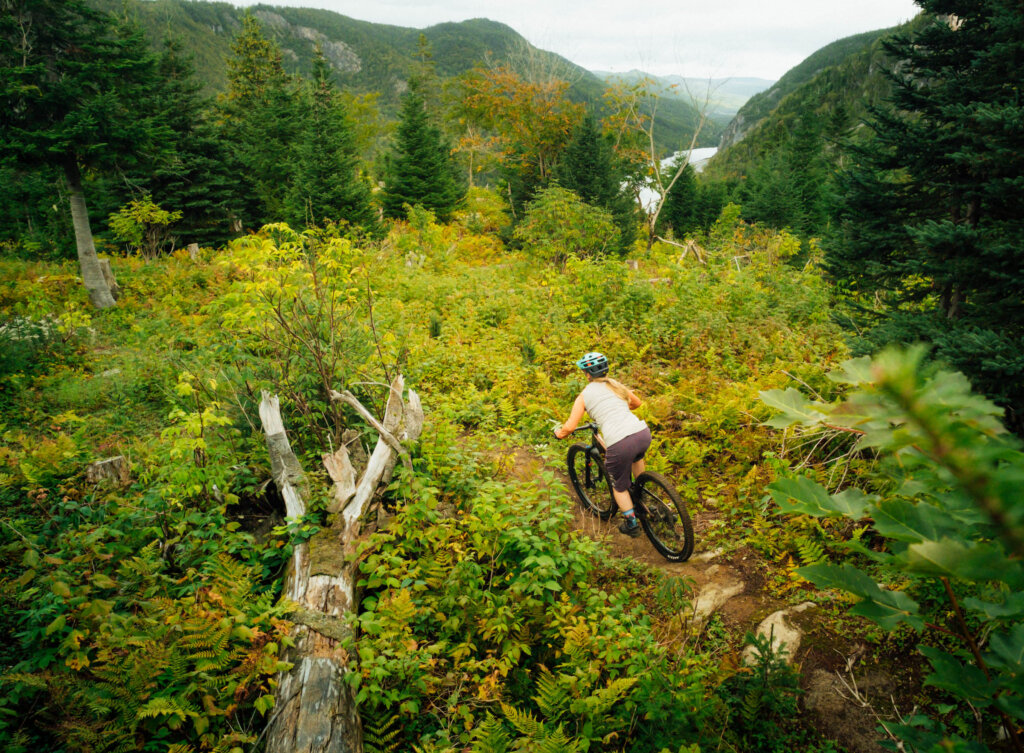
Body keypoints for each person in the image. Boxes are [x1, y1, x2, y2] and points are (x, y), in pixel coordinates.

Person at [553, 352, 651, 537]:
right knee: (637, 456)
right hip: (642, 433)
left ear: (588, 374)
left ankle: (631, 523)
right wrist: (616, 408)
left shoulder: (584, 396)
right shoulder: (615, 385)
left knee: (618, 485)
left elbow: (570, 426)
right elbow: (636, 403)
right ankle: (643, 495)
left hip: (620, 442)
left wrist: (560, 434)